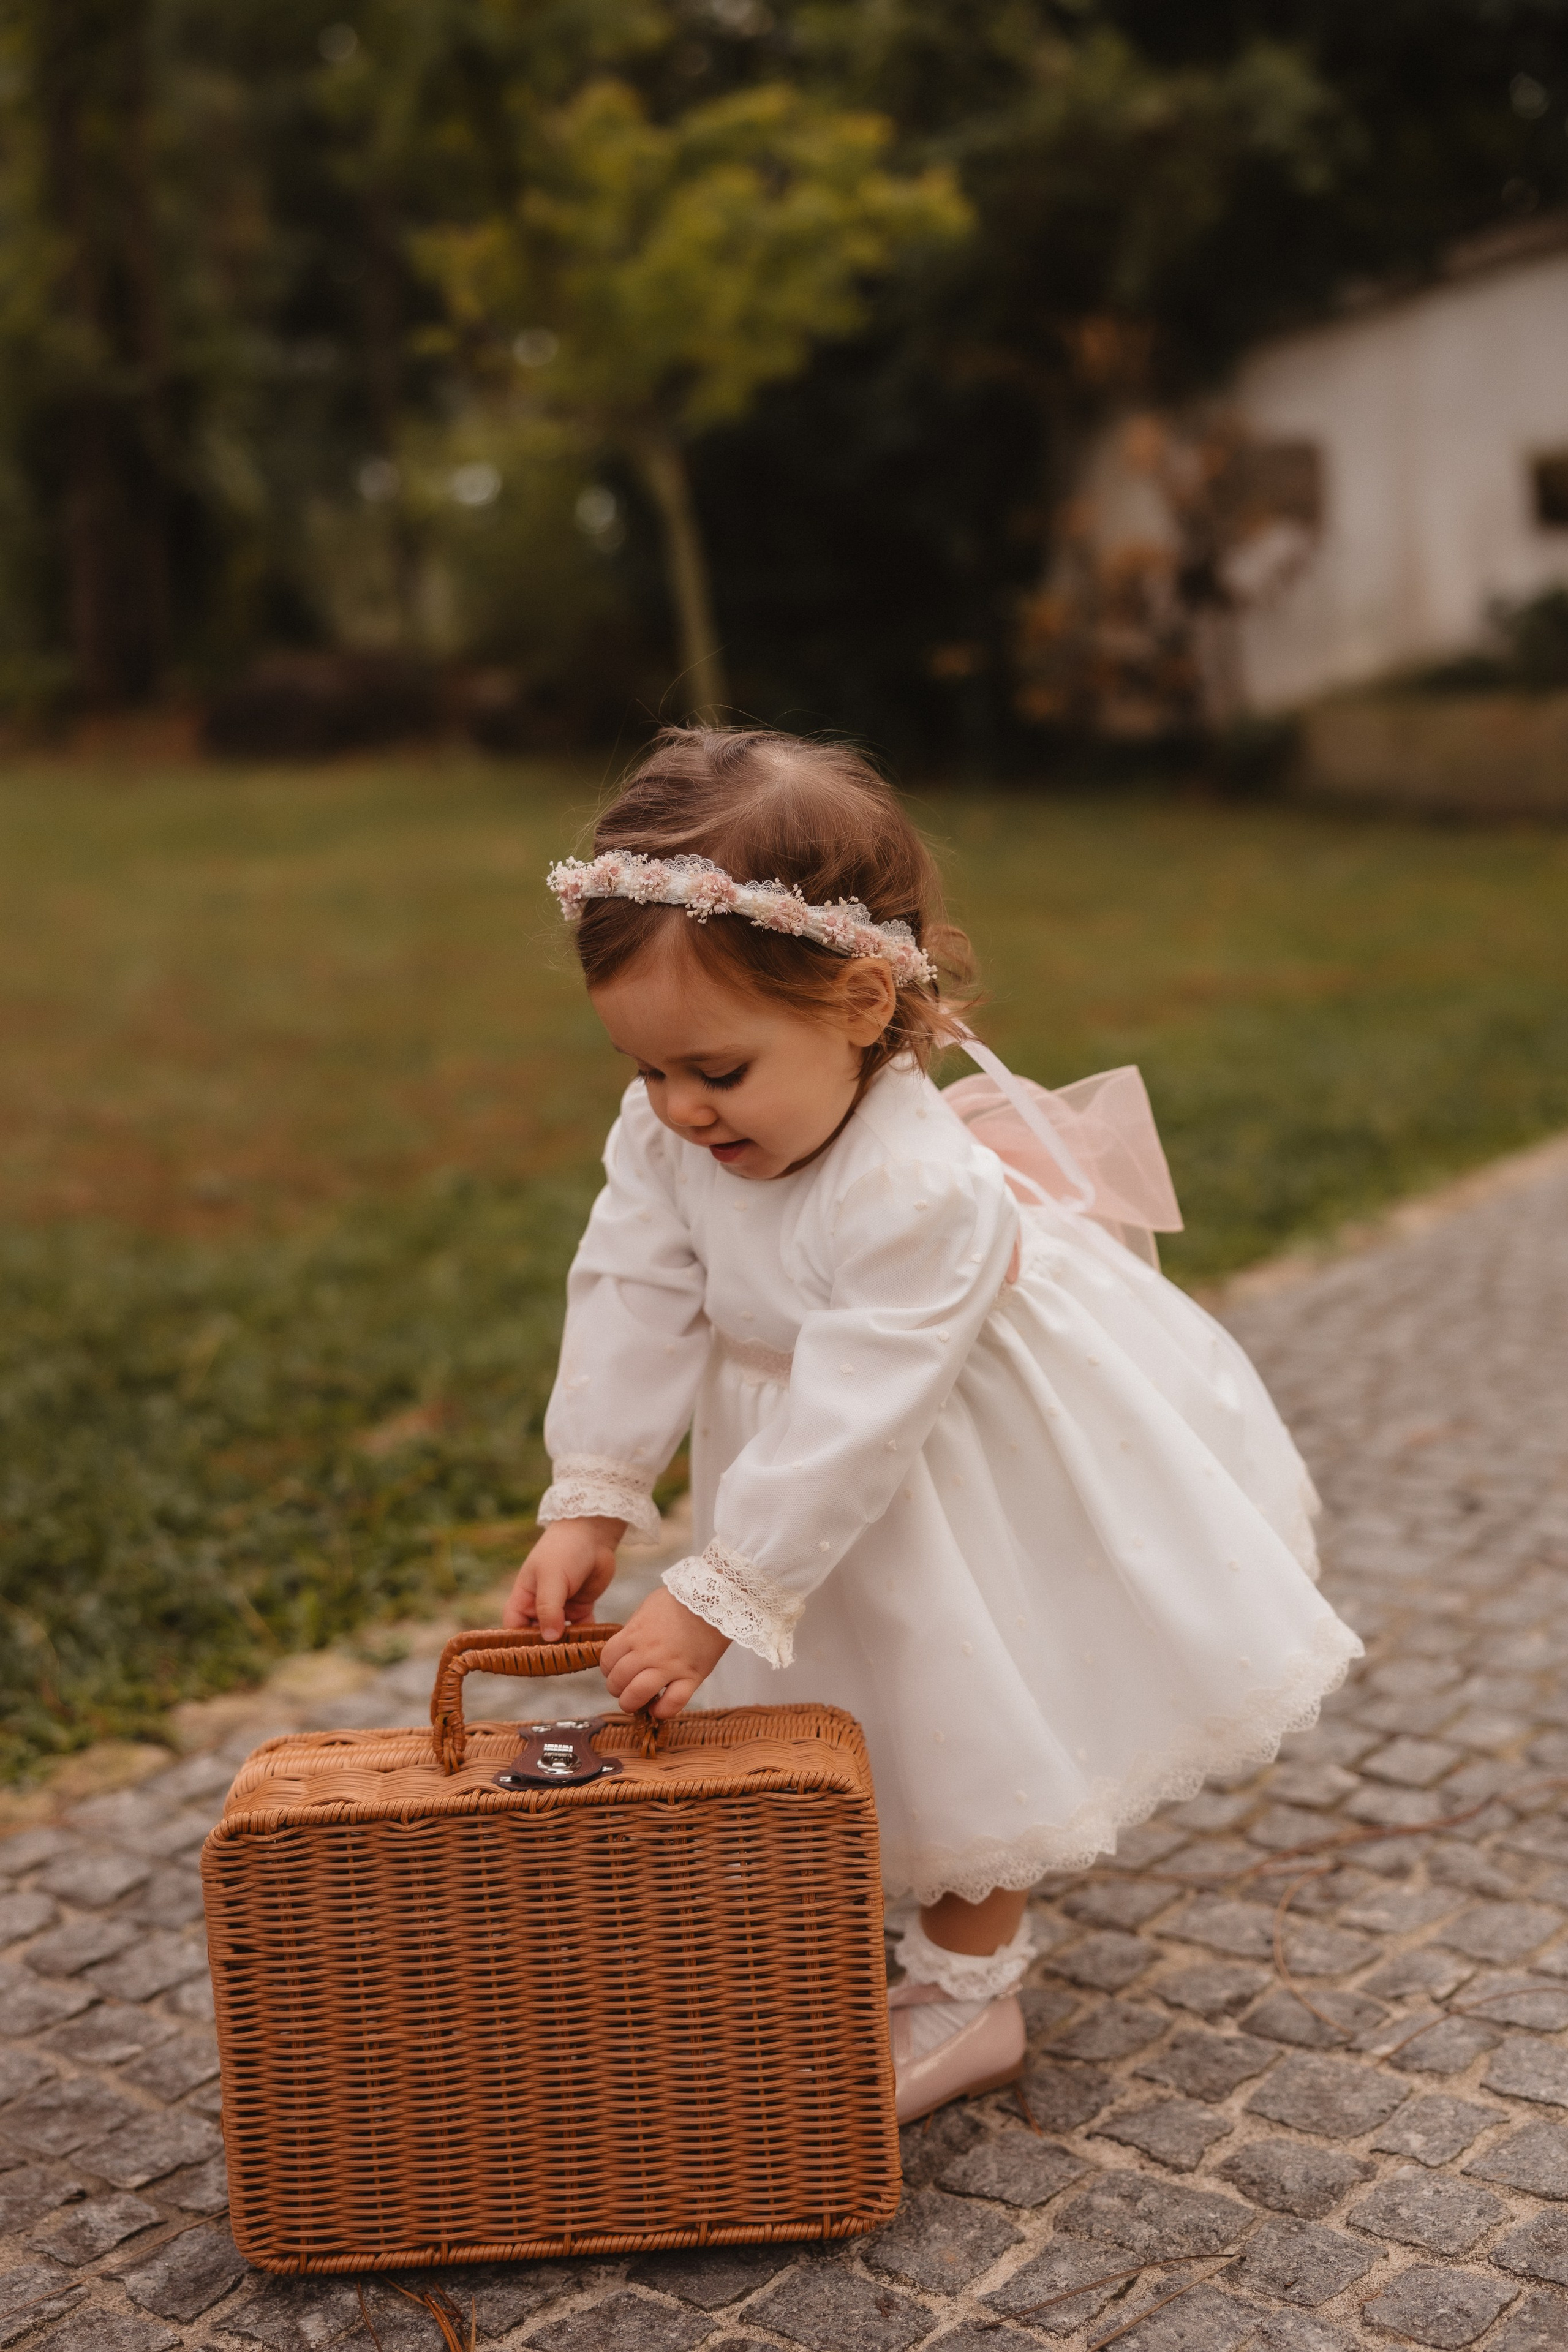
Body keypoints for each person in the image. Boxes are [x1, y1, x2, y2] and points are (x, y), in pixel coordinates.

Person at [506, 725, 1361, 2122]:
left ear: (855, 1002)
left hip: (931, 1452)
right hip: (796, 1442)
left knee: (951, 1686)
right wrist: (592, 1493)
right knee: (832, 1687)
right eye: (644, 1067)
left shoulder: (914, 1188)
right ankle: (844, 1889)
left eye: (713, 1071)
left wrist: (720, 1588)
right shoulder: (664, 1127)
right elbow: (629, 1286)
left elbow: (858, 1415)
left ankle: (967, 1992)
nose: (675, 1109)